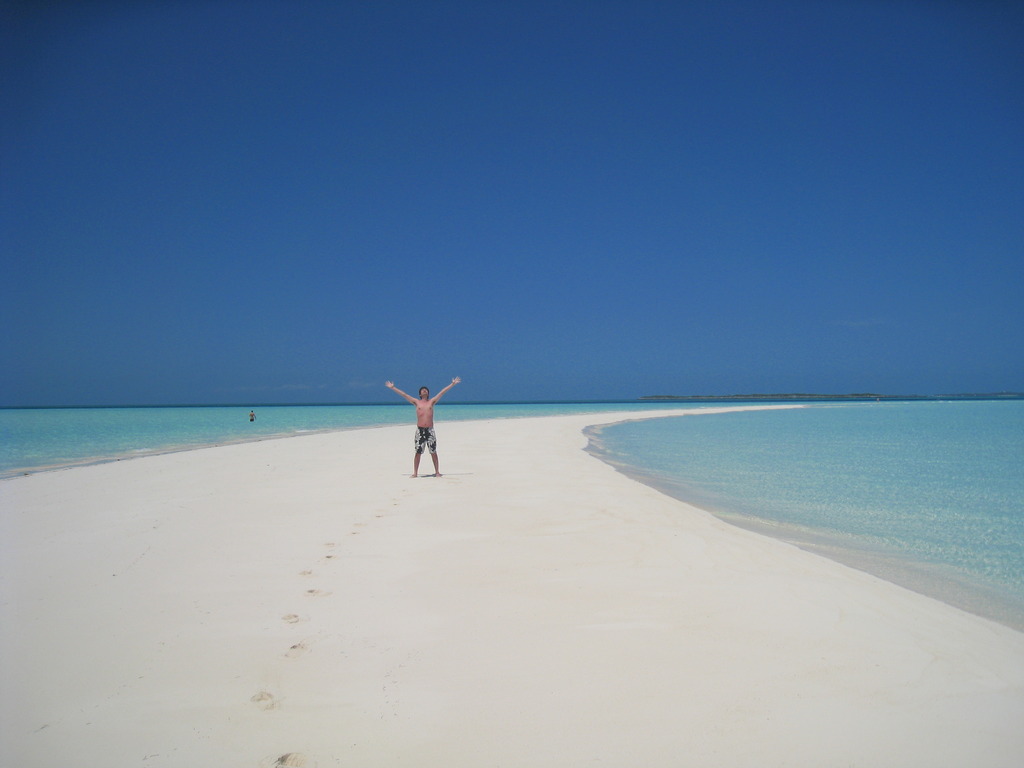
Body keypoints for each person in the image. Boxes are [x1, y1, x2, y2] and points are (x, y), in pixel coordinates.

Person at [385, 377, 461, 477]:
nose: (424, 390)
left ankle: (437, 471)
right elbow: (404, 395)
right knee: (418, 452)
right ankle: (415, 473)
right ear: (420, 394)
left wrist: (452, 384)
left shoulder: (432, 402)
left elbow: (442, 392)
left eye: (426, 390)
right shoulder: (416, 402)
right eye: (422, 390)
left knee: (433, 451)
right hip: (420, 430)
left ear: (428, 393)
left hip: (430, 430)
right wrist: (393, 387)